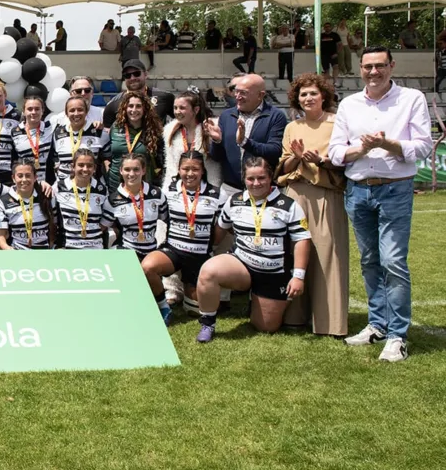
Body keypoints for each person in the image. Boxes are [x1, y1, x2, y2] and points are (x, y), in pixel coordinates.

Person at [329, 46, 432, 362]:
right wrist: (360, 150)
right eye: (368, 67)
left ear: (392, 66)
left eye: (380, 66)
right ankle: (377, 323)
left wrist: (387, 143)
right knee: (370, 260)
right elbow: (336, 151)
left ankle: (397, 335)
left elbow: (424, 146)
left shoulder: (411, 99)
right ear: (360, 68)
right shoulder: (349, 104)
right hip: (358, 190)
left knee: (393, 261)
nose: (374, 72)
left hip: (395, 190)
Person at [194, 157, 311, 343]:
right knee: (208, 271)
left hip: (273, 272)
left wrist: (298, 276)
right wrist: (200, 253)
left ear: (270, 177)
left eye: (261, 178)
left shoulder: (289, 205)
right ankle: (207, 324)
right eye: (250, 179)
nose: (256, 183)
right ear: (244, 179)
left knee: (266, 327)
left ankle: (255, 300)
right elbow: (220, 230)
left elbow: (302, 240)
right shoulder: (234, 201)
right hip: (242, 265)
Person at [275, 73, 349, 337]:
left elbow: (344, 162)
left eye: (313, 93)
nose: (308, 98)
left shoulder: (338, 123)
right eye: (303, 94)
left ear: (323, 96)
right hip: (296, 193)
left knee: (329, 255)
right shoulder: (292, 127)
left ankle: (331, 322)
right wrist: (297, 158)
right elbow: (284, 166)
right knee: (295, 251)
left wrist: (321, 161)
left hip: (327, 193)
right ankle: (295, 316)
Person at [141, 151, 223, 323]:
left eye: (195, 169)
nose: (190, 173)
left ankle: (190, 290)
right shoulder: (168, 191)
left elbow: (221, 227)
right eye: (185, 169)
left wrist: (211, 248)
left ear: (203, 171)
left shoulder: (217, 194)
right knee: (148, 267)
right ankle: (163, 306)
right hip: (174, 251)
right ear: (178, 170)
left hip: (199, 255)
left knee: (195, 310)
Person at [206, 73, 287, 200]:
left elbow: (275, 151)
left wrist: (245, 142)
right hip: (231, 190)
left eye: (243, 93)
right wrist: (217, 141)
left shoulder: (275, 116)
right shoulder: (226, 116)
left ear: (260, 95)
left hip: (263, 189)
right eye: (236, 91)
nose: (237, 96)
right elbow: (217, 157)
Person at [101, 91, 165, 194]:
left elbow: (161, 160)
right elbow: (106, 152)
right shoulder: (116, 127)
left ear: (144, 108)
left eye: (138, 106)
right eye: (130, 106)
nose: (134, 110)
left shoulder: (153, 130)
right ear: (125, 108)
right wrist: (108, 168)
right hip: (115, 185)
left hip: (143, 185)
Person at [108, 152, 167, 260]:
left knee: (150, 267)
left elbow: (168, 221)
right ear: (121, 171)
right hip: (126, 250)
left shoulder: (157, 194)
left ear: (143, 170)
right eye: (127, 169)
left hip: (151, 252)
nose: (131, 174)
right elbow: (103, 227)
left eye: (136, 169)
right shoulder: (113, 200)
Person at [52, 148, 112, 249]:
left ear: (94, 168)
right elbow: (53, 221)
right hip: (67, 248)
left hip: (95, 247)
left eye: (89, 166)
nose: (85, 169)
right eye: (81, 165)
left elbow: (105, 221)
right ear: (73, 166)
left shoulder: (102, 190)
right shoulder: (58, 188)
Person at [162, 90, 221, 186]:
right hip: (180, 187)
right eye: (175, 108)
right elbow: (171, 164)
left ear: (196, 110)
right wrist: (169, 186)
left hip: (208, 185)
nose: (177, 112)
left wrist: (216, 140)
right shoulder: (170, 130)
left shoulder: (212, 128)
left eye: (182, 108)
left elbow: (218, 159)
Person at [0, 159, 56, 250]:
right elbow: (0, 236)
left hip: (44, 254)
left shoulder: (46, 196)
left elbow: (54, 226)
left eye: (28, 175)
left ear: (35, 177)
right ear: (13, 178)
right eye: (20, 176)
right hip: (18, 254)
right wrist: (7, 248)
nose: (24, 180)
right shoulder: (3, 202)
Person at [47, 96, 104, 183]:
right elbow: (54, 159)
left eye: (80, 110)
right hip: (63, 188)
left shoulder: (97, 131)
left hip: (90, 187)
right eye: (72, 110)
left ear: (86, 112)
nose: (76, 113)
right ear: (66, 113)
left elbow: (107, 159)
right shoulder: (57, 133)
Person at [101, 60, 174, 128]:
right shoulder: (113, 105)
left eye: (136, 73)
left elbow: (179, 120)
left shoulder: (164, 98)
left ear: (145, 74)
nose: (132, 78)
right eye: (127, 75)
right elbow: (107, 132)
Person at [12, 97, 54, 181]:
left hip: (48, 184)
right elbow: (14, 160)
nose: (33, 112)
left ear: (42, 111)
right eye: (30, 109)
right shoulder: (15, 132)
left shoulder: (51, 128)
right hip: (26, 182)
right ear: (24, 111)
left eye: (37, 109)